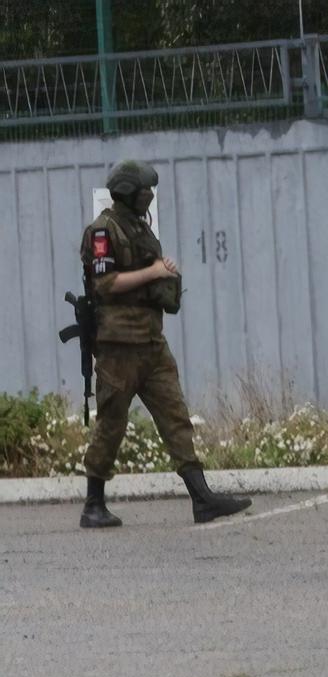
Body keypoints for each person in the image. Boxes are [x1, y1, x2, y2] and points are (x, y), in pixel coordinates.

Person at [77, 160, 252, 528]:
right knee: (112, 423)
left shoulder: (139, 226)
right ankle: (93, 504)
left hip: (151, 342)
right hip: (119, 347)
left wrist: (164, 272)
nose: (149, 195)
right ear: (128, 192)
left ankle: (202, 498)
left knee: (175, 416)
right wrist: (153, 272)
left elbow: (147, 274)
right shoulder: (103, 230)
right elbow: (105, 284)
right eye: (144, 190)